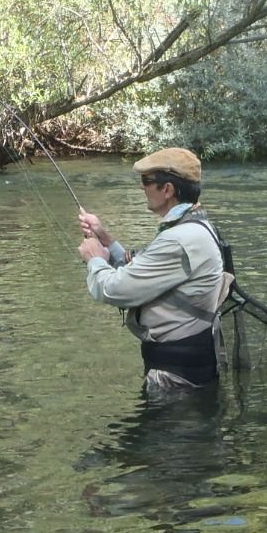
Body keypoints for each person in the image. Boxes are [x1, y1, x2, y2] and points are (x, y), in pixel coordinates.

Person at [77, 148, 231, 393]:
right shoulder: (194, 225)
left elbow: (114, 289)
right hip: (189, 367)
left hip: (177, 379)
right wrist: (104, 237)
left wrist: (94, 259)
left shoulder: (179, 239)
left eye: (146, 181)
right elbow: (146, 268)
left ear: (167, 189)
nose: (142, 188)